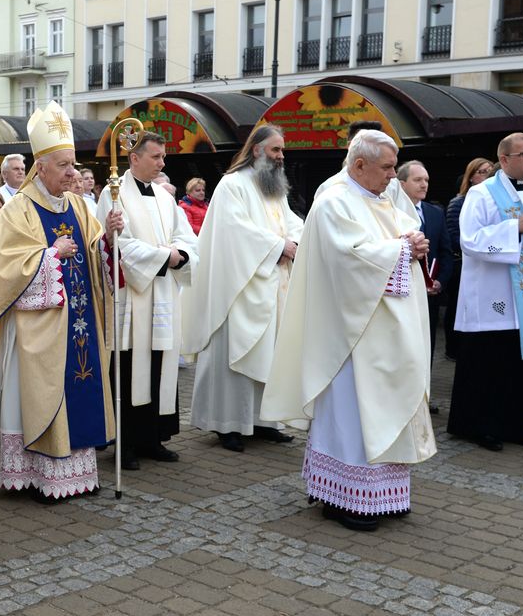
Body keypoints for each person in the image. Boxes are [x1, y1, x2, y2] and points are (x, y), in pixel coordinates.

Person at [261, 130, 435, 532]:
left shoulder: (383, 195)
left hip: (389, 324)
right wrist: (403, 249)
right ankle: (343, 497)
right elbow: (347, 259)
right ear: (359, 164)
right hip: (350, 333)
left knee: (388, 405)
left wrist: (412, 240)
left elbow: (402, 229)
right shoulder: (334, 201)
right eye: (387, 167)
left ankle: (385, 494)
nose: (393, 175)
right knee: (353, 414)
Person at [0, 101, 119, 502]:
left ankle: (77, 473)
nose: (72, 173)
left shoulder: (78, 205)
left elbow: (94, 252)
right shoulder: (18, 209)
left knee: (80, 385)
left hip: (78, 322)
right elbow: (4, 270)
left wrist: (108, 239)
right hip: (36, 328)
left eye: (73, 164)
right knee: (38, 394)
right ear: (42, 166)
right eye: (64, 165)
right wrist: (50, 255)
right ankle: (37, 476)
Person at [182, 125, 302, 452]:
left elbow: (290, 221)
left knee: (269, 355)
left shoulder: (273, 186)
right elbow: (233, 230)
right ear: (257, 150)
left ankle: (264, 421)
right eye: (276, 150)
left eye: (282, 150)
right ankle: (228, 424)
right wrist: (278, 246)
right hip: (238, 286)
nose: (281, 156)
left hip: (271, 283)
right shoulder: (231, 184)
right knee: (233, 356)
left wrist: (295, 240)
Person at [448, 133, 523, 452]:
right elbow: (469, 240)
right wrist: (514, 228)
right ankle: (479, 426)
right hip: (494, 297)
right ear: (504, 159)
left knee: (521, 367)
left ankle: (515, 426)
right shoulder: (481, 193)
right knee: (488, 365)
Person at [97, 132, 199, 469]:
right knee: (129, 369)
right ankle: (126, 444)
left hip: (164, 295)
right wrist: (166, 256)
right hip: (133, 299)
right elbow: (119, 245)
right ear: (134, 158)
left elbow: (187, 238)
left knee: (159, 365)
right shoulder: (114, 194)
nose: (162, 162)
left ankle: (154, 438)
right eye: (156, 156)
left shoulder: (164, 197)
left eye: (163, 156)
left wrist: (181, 255)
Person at [398, 161, 453, 412]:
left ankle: (423, 397)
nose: (424, 185)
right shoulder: (391, 211)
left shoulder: (434, 212)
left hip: (430, 293)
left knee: (426, 344)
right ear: (401, 184)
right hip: (403, 292)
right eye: (418, 180)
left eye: (427, 180)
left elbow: (445, 251)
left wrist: (440, 281)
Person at [443, 158, 495, 359]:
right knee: (457, 306)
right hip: (462, 262)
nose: (487, 175)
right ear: (471, 177)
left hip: (485, 262)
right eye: (482, 172)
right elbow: (454, 236)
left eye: (490, 171)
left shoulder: (493, 202)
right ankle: (453, 349)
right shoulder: (459, 202)